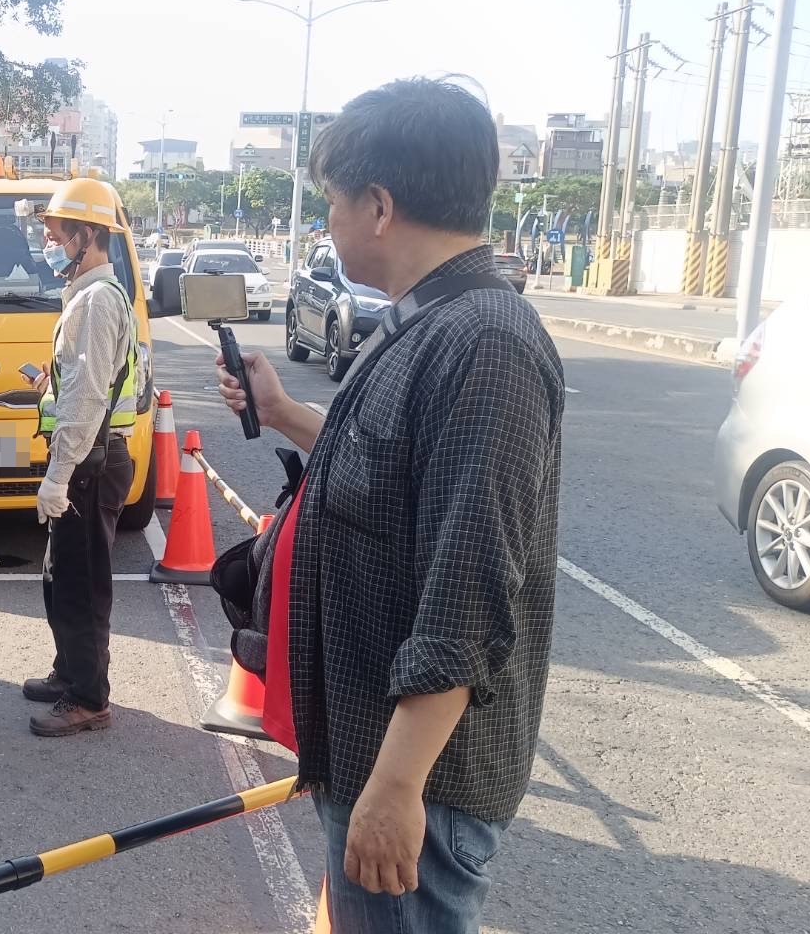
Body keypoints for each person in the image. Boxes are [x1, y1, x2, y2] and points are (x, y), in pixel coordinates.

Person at [217, 78, 565, 932]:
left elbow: (469, 585)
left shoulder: (485, 342)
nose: (324, 222)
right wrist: (282, 413)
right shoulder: (427, 321)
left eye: (332, 201)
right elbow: (396, 465)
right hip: (375, 754)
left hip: (423, 780)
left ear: (378, 205)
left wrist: (397, 785)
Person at [21, 178, 139, 737]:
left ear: (86, 235)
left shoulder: (95, 300)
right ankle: (70, 672)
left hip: (91, 463)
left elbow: (89, 397)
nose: (48, 245)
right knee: (60, 575)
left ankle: (90, 698)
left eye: (55, 235)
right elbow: (87, 378)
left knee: (82, 582)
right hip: (88, 457)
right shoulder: (90, 295)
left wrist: (59, 476)